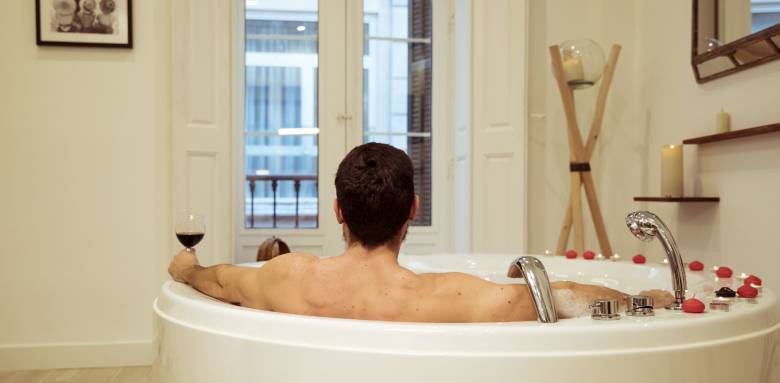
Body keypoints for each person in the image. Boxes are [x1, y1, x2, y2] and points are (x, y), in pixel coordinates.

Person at [168, 143, 673, 322]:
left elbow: (218, 281)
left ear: (338, 213)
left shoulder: (287, 277)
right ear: (413, 209)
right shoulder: (448, 294)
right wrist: (645, 299)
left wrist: (186, 267)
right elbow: (560, 297)